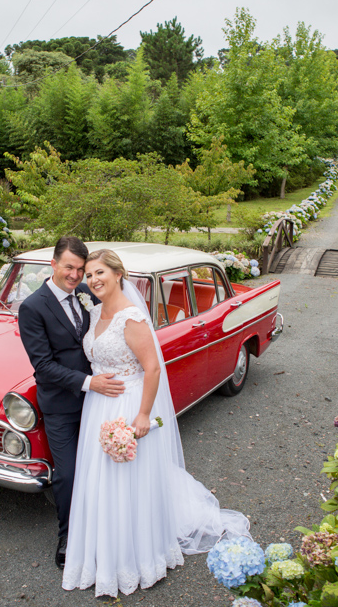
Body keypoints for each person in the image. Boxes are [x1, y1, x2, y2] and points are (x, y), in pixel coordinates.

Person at [62, 248, 251, 598]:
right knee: (100, 480)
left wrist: (144, 414)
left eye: (100, 272)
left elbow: (151, 368)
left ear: (119, 274)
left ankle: (137, 556)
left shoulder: (130, 317)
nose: (93, 280)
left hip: (128, 403)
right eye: (89, 275)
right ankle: (101, 553)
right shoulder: (97, 312)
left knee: (127, 480)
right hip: (97, 407)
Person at [18, 237, 125, 569]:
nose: (76, 275)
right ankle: (67, 535)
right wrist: (88, 382)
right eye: (69, 267)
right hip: (62, 404)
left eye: (80, 269)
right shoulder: (33, 307)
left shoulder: (89, 293)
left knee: (106, 465)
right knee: (67, 474)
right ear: (53, 264)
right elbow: (43, 366)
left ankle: (108, 526)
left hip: (100, 401)